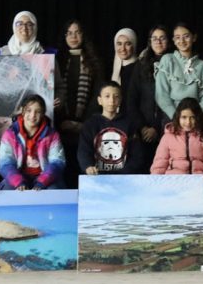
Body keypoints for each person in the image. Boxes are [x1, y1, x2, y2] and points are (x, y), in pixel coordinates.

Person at [55, 19, 105, 188]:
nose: (73, 36)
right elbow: (54, 92)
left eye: (77, 32)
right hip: (60, 126)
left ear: (83, 35)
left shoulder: (94, 61)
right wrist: (63, 121)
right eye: (69, 33)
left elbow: (97, 95)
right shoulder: (57, 60)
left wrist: (80, 124)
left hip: (86, 127)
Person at [0, 94, 66, 190]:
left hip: (45, 177)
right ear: (22, 110)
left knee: (53, 191)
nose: (32, 115)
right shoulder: (10, 134)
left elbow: (57, 162)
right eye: (29, 111)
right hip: (18, 176)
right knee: (7, 191)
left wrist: (42, 182)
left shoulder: (52, 135)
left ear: (43, 113)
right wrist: (18, 182)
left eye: (37, 112)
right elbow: (5, 162)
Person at [78, 81, 144, 175]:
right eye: (107, 96)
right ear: (99, 100)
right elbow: (83, 151)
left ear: (120, 100)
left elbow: (137, 155)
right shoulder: (90, 124)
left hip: (124, 178)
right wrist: (88, 166)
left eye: (116, 96)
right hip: (96, 177)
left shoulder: (129, 124)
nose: (112, 100)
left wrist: (124, 173)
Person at [150, 97, 203, 185]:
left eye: (192, 118)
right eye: (184, 117)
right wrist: (156, 180)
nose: (188, 122)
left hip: (198, 182)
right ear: (178, 117)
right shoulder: (168, 136)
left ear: (198, 118)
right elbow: (160, 162)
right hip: (173, 181)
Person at [128, 24, 170, 169]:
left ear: (169, 41)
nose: (158, 42)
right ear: (149, 42)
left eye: (162, 38)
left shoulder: (175, 64)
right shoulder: (141, 65)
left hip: (168, 130)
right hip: (143, 133)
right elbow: (132, 99)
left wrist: (157, 129)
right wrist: (143, 127)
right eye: (154, 39)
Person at [155, 22, 203, 119]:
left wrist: (195, 116)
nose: (182, 41)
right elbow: (162, 95)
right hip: (172, 117)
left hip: (196, 118)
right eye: (177, 37)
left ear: (194, 38)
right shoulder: (167, 60)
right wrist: (177, 117)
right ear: (174, 40)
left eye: (186, 36)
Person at [110, 28, 138, 93]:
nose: (123, 48)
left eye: (127, 44)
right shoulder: (109, 67)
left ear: (134, 45)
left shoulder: (140, 68)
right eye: (119, 44)